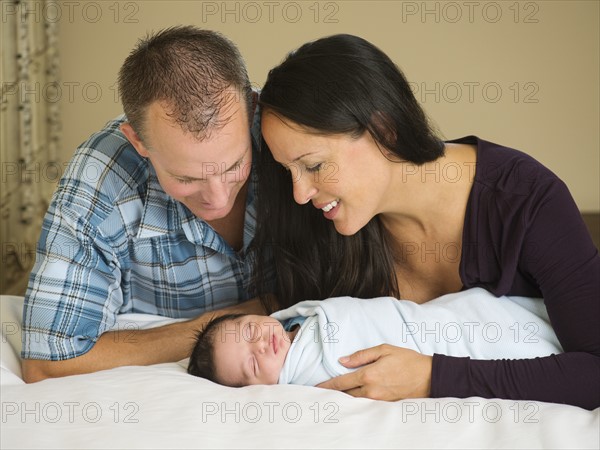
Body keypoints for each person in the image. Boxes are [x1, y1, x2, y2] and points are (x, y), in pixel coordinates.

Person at [251, 34, 600, 409]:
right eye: (289, 171)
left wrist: (433, 377)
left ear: (383, 129)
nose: (300, 193)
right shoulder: (330, 226)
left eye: (313, 165)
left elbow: (595, 369)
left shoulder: (526, 201)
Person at [21, 26, 272, 383]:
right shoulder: (102, 176)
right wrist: (226, 322)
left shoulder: (291, 137)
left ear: (252, 109)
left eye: (234, 166)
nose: (217, 198)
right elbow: (49, 362)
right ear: (138, 141)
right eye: (186, 179)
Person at [187, 288, 563, 387]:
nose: (260, 344)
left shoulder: (305, 316)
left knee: (482, 311)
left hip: (445, 315)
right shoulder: (308, 375)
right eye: (254, 364)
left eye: (251, 330)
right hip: (442, 345)